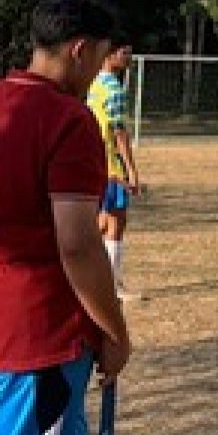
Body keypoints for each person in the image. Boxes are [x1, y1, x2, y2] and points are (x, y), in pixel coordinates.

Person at [0, 0, 184, 435]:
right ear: (81, 50)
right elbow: (79, 244)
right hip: (41, 341)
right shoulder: (67, 118)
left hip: (15, 336)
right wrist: (115, 329)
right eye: (104, 53)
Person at [88, 35, 142, 301]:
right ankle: (111, 286)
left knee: (101, 221)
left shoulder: (93, 83)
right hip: (111, 164)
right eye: (124, 52)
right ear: (109, 54)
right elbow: (118, 131)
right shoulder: (113, 89)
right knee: (116, 223)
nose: (128, 57)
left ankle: (95, 280)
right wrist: (131, 170)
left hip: (94, 160)